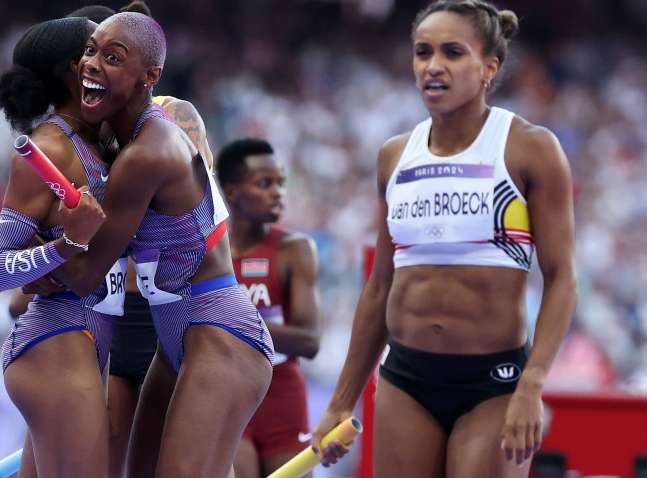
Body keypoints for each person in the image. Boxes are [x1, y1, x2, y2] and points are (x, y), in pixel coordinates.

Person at [312, 1, 577, 476]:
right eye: (423, 52)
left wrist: (532, 385)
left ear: (489, 67)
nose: (433, 66)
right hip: (405, 380)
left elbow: (562, 278)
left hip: (493, 384)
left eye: (453, 53)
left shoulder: (529, 148)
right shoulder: (395, 156)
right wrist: (340, 401)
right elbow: (379, 288)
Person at [46, 12, 274, 477]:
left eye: (111, 57)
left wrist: (33, 256)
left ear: (151, 77)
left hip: (220, 332)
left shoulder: (150, 149)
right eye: (90, 52)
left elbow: (87, 273)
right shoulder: (118, 140)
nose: (91, 64)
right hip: (174, 337)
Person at [0, 16, 117, 478]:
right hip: (58, 341)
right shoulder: (50, 148)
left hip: (89, 341)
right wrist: (69, 242)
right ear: (74, 69)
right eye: (97, 51)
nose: (107, 60)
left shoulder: (102, 140)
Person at [216, 138, 321, 478]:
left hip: (283, 395)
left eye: (281, 183)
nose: (278, 192)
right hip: (230, 392)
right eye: (265, 184)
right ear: (231, 192)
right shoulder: (210, 252)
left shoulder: (294, 249)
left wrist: (234, 319)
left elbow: (309, 341)